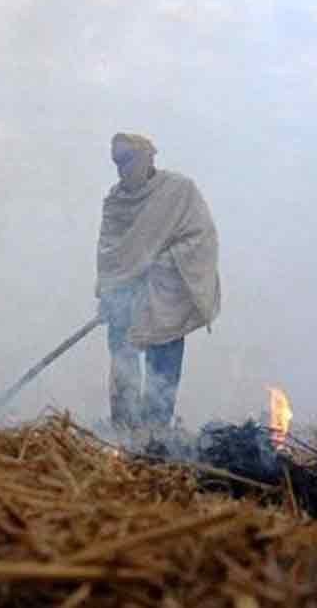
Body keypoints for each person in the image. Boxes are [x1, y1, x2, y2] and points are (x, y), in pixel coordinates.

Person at [96, 133, 220, 430]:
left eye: (127, 160)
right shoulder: (115, 202)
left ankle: (156, 437)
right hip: (124, 297)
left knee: (161, 372)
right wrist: (108, 292)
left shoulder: (179, 191)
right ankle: (123, 433)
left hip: (167, 298)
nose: (121, 169)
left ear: (148, 158)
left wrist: (159, 266)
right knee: (123, 367)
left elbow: (201, 239)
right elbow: (109, 252)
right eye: (116, 162)